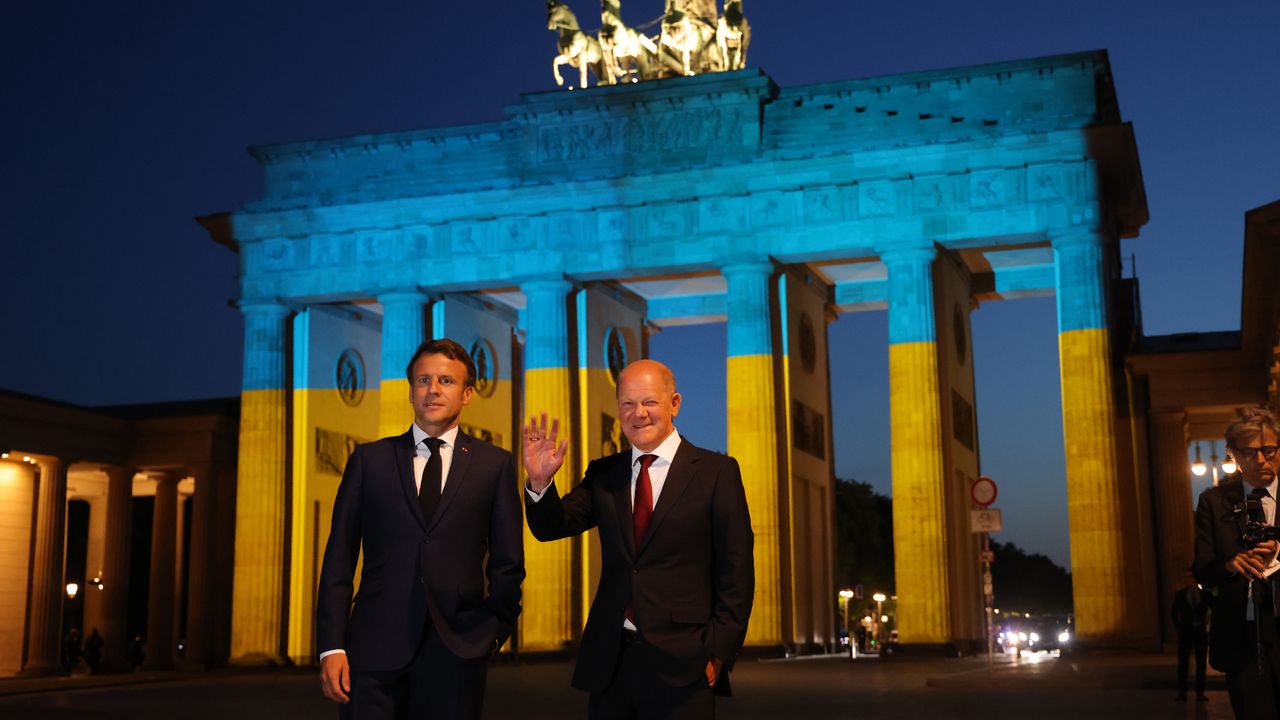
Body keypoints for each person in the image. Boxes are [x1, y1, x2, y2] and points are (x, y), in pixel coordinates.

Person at [523, 358, 754, 719]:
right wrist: (539, 483)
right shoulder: (604, 474)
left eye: (649, 402)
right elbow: (552, 526)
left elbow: (736, 568)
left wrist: (718, 650)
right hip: (611, 665)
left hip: (685, 664)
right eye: (628, 403)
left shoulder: (716, 473)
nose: (638, 414)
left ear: (674, 403)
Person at [316, 338, 525, 719]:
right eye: (424, 380)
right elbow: (339, 558)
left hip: (459, 652)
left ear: (467, 394)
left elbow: (508, 563)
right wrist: (332, 646)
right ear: (411, 392)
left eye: (446, 380)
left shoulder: (494, 466)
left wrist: (493, 632)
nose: (433, 389)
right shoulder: (369, 460)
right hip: (373, 651)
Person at [1193, 407, 1280, 718]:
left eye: (1269, 449)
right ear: (1233, 455)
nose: (1261, 460)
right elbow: (1202, 567)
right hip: (1241, 638)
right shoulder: (1213, 502)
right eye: (1249, 452)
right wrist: (1230, 564)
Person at [1171, 571, 1209, 701]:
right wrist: (1179, 628)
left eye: (1191, 577)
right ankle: (1182, 692)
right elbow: (1173, 613)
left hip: (1200, 632)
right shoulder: (1180, 595)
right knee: (1183, 663)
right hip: (1185, 632)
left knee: (1201, 663)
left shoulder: (1204, 594)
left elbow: (1210, 607)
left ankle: (1200, 692)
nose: (1189, 579)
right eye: (1187, 577)